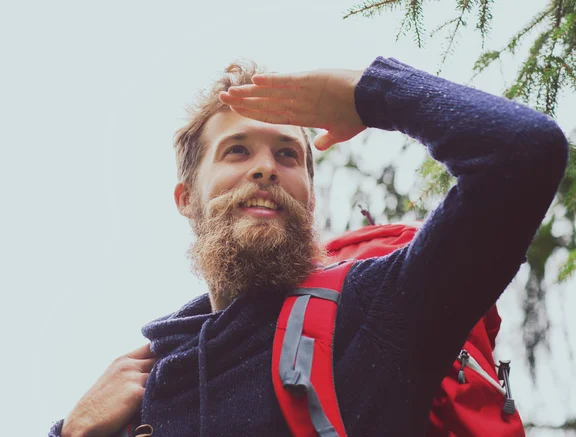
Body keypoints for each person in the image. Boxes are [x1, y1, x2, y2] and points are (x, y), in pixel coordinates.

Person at [50, 56, 568, 437]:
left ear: (310, 199)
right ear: (186, 199)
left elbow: (522, 150)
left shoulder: (376, 310)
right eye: (237, 150)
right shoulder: (141, 395)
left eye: (287, 155)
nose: (265, 168)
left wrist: (371, 92)